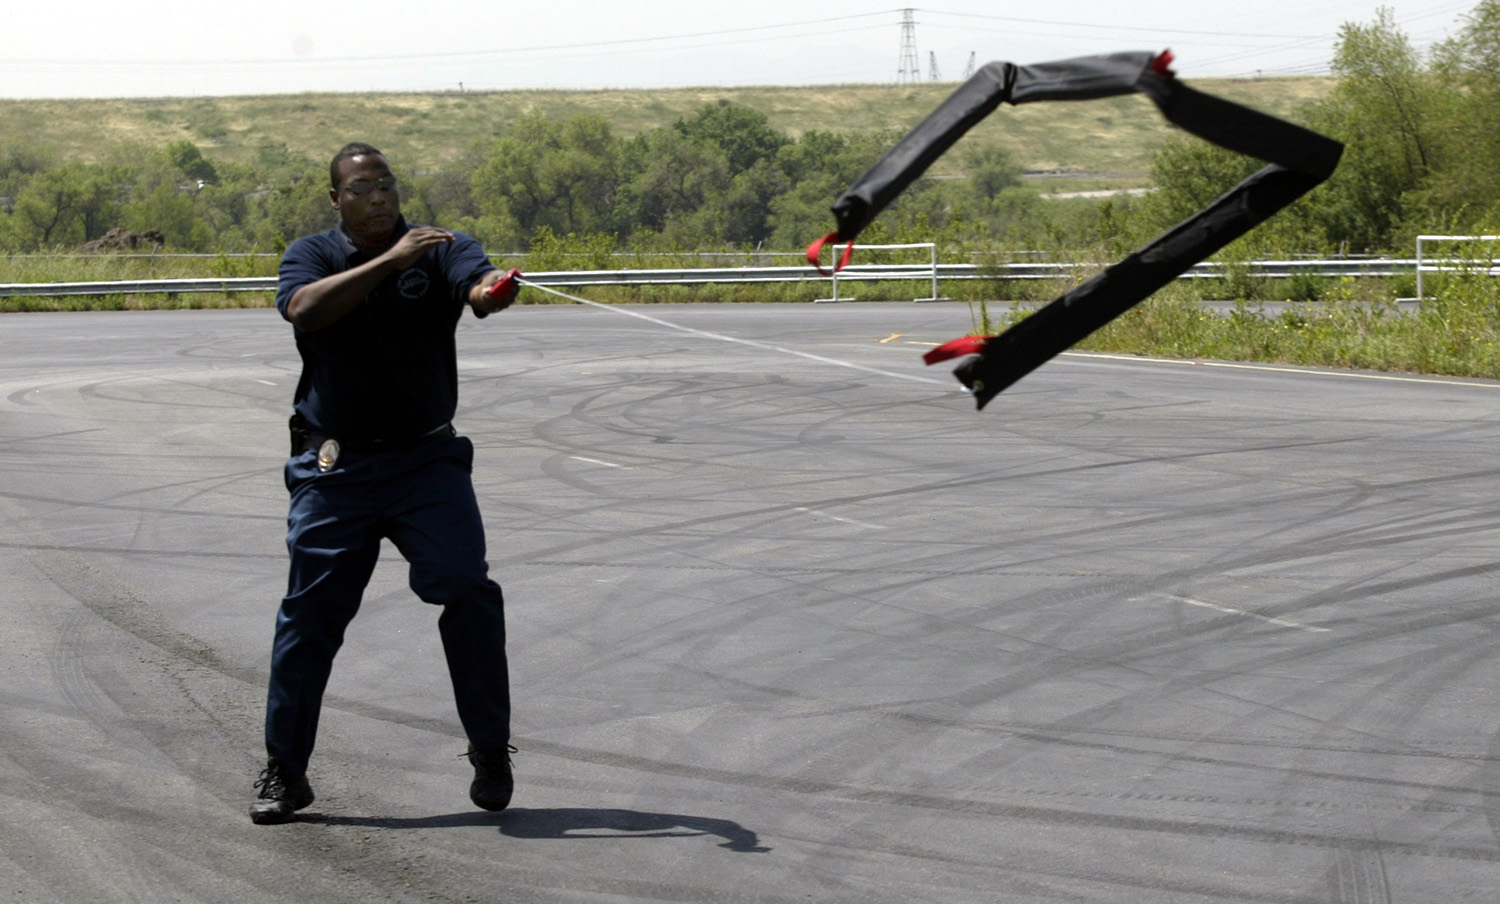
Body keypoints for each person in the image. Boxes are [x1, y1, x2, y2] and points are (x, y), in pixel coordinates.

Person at [250, 142, 519, 825]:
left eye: (386, 184)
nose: (378, 196)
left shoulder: (440, 245)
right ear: (336, 199)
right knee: (309, 618)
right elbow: (305, 311)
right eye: (362, 187)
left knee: (467, 588)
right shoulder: (310, 254)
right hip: (334, 467)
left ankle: (490, 748)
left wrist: (491, 291)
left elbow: (478, 286)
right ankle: (286, 771)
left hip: (424, 463)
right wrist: (389, 263)